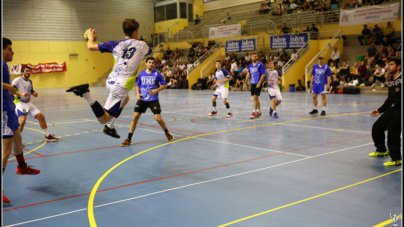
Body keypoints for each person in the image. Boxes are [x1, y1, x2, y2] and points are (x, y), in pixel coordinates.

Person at [66, 19, 152, 139]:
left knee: (125, 99)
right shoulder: (142, 45)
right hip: (121, 86)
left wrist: (90, 37)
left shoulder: (115, 44)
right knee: (103, 119)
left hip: (111, 81)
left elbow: (90, 47)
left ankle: (110, 127)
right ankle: (86, 94)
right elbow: (149, 52)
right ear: (135, 32)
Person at [2, 38, 41, 204]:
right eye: (10, 49)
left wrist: (16, 93)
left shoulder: (5, 66)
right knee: (6, 149)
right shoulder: (2, 65)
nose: (12, 52)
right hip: (4, 110)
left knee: (18, 138)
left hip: (10, 107)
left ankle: (22, 166)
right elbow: (6, 86)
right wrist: (9, 87)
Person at [121, 57, 173, 146]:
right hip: (142, 99)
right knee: (135, 117)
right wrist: (137, 94)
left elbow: (164, 85)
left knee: (158, 118)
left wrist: (156, 90)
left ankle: (167, 132)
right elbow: (138, 85)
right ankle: (129, 138)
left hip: (153, 99)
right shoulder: (141, 74)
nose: (151, 64)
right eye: (149, 62)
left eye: (153, 63)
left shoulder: (158, 74)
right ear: (146, 63)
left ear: (155, 64)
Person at [12, 66, 59, 143]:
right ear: (22, 72)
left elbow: (31, 91)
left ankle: (47, 136)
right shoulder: (17, 80)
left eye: (29, 71)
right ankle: (16, 141)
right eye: (27, 71)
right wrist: (21, 93)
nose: (28, 72)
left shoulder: (30, 81)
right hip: (20, 102)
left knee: (41, 117)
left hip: (28, 103)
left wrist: (34, 93)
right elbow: (11, 90)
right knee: (22, 120)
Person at [369, 59, 401, 166]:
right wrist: (380, 110)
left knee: (393, 129)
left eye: (392, 64)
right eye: (388, 64)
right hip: (396, 108)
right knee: (377, 126)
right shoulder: (391, 81)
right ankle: (382, 150)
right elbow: (389, 100)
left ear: (399, 67)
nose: (389, 66)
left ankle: (396, 158)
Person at [244, 53, 266, 119]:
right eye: (253, 56)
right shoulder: (250, 65)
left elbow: (263, 74)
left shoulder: (260, 64)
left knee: (255, 97)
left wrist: (260, 82)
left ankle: (254, 112)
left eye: (255, 56)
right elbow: (248, 74)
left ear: (257, 57)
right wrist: (245, 83)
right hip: (252, 83)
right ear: (251, 57)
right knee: (256, 98)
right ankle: (259, 111)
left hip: (258, 83)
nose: (254, 57)